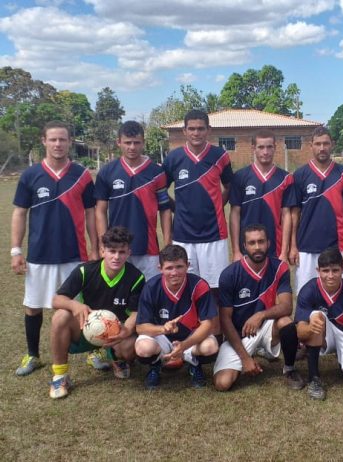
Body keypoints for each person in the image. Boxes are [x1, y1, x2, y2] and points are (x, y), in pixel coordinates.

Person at [11, 120, 98, 376]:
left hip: (75, 254)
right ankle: (33, 355)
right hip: (39, 255)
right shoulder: (30, 175)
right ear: (44, 141)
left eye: (62, 139)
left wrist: (95, 248)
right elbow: (19, 213)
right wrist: (16, 250)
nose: (58, 144)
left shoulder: (82, 175)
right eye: (53, 139)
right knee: (33, 305)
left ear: (70, 142)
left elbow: (91, 213)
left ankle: (94, 351)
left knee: (84, 305)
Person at [48, 227, 145, 399]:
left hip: (115, 334)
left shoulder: (136, 277)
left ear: (129, 253)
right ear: (102, 251)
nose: (116, 257)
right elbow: (57, 300)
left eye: (122, 252)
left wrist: (127, 330)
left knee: (132, 346)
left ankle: (117, 358)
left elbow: (136, 313)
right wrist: (75, 306)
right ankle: (60, 376)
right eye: (112, 251)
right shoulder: (85, 271)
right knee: (60, 316)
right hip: (86, 329)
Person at [213, 224, 304, 391]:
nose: (257, 247)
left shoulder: (279, 268)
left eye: (261, 241)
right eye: (252, 242)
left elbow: (286, 306)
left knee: (285, 322)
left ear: (268, 243)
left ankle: (290, 369)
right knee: (222, 383)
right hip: (239, 336)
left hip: (265, 327)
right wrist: (245, 358)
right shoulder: (229, 275)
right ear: (244, 246)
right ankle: (250, 354)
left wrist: (260, 315)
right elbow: (225, 320)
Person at [163, 109, 233, 296]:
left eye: (201, 128)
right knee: (185, 287)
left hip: (214, 235)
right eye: (192, 129)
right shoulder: (173, 158)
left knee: (216, 288)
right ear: (184, 131)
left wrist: (218, 206)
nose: (196, 133)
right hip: (183, 235)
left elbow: (229, 186)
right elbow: (161, 190)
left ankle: (214, 317)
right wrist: (176, 208)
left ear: (209, 130)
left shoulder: (220, 155)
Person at [95, 120, 172, 280]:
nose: (132, 147)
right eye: (127, 142)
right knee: (117, 291)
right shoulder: (106, 172)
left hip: (148, 248)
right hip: (116, 248)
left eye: (136, 143)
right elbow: (100, 211)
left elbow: (165, 210)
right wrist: (103, 244)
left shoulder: (157, 173)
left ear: (143, 142)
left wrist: (167, 243)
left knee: (148, 291)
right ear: (118, 142)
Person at [135, 244, 219, 389]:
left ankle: (194, 364)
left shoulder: (199, 285)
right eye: (169, 268)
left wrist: (184, 345)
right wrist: (163, 329)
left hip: (190, 336)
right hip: (162, 337)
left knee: (210, 347)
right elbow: (140, 327)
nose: (174, 272)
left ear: (187, 266)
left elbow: (208, 325)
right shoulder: (151, 287)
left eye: (179, 267)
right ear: (160, 268)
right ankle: (155, 365)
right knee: (144, 348)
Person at [295, 247, 343, 400]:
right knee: (317, 317)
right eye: (325, 271)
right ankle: (314, 378)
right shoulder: (308, 290)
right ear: (318, 271)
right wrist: (310, 328)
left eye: (335, 270)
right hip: (324, 333)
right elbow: (300, 332)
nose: (330, 276)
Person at [288, 126, 343, 293]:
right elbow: (295, 213)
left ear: (332, 144)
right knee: (306, 294)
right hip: (306, 247)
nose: (322, 148)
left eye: (326, 143)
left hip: (337, 245)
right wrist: (293, 246)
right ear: (311, 146)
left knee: (338, 294)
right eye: (318, 144)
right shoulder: (300, 175)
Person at [229, 129, 293, 262]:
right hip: (247, 247)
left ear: (275, 148)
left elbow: (286, 215)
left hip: (275, 246)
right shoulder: (240, 177)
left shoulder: (285, 178)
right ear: (253, 148)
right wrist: (236, 251)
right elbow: (235, 213)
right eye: (261, 147)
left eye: (269, 147)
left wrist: (284, 252)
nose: (265, 152)